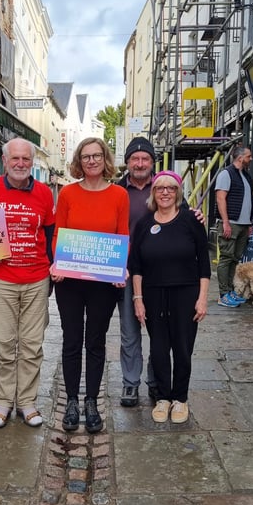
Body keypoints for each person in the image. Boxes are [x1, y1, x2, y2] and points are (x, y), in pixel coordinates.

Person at [0, 138, 55, 429]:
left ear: (32, 162)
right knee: (3, 343)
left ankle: (27, 401)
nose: (20, 164)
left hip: (36, 278)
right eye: (14, 159)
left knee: (31, 345)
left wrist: (55, 269)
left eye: (25, 160)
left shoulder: (44, 193)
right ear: (4, 161)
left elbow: (51, 234)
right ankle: (3, 401)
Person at [50, 137, 129, 434]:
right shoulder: (68, 193)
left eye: (97, 156)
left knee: (95, 342)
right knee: (71, 340)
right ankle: (71, 400)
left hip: (103, 280)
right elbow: (59, 232)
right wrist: (57, 262)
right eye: (86, 157)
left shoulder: (119, 194)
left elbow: (123, 235)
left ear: (105, 159)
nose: (92, 161)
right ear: (79, 161)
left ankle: (92, 401)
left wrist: (121, 267)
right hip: (70, 279)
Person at [130, 171, 211, 424]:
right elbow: (137, 266)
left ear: (178, 193)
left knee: (183, 348)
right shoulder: (144, 224)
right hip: (154, 294)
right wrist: (138, 299)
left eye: (171, 188)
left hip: (186, 293)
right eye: (160, 188)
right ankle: (163, 397)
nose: (165, 192)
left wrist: (203, 298)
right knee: (159, 348)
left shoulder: (191, 220)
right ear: (153, 193)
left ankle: (180, 399)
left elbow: (204, 265)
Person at [116, 136, 159, 407]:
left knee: (159, 329)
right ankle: (130, 383)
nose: (140, 163)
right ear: (128, 162)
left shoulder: (167, 186)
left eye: (145, 159)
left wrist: (197, 217)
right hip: (127, 271)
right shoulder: (117, 190)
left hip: (160, 270)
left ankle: (156, 381)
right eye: (135, 159)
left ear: (152, 162)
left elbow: (185, 218)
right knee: (129, 330)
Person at [215, 146, 253, 307]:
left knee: (235, 259)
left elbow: (249, 200)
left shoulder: (245, 175)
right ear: (240, 158)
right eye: (249, 156)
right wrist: (225, 222)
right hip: (231, 222)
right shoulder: (226, 173)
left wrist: (250, 222)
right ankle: (223, 294)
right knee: (226, 258)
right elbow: (220, 198)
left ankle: (230, 292)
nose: (251, 159)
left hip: (243, 224)